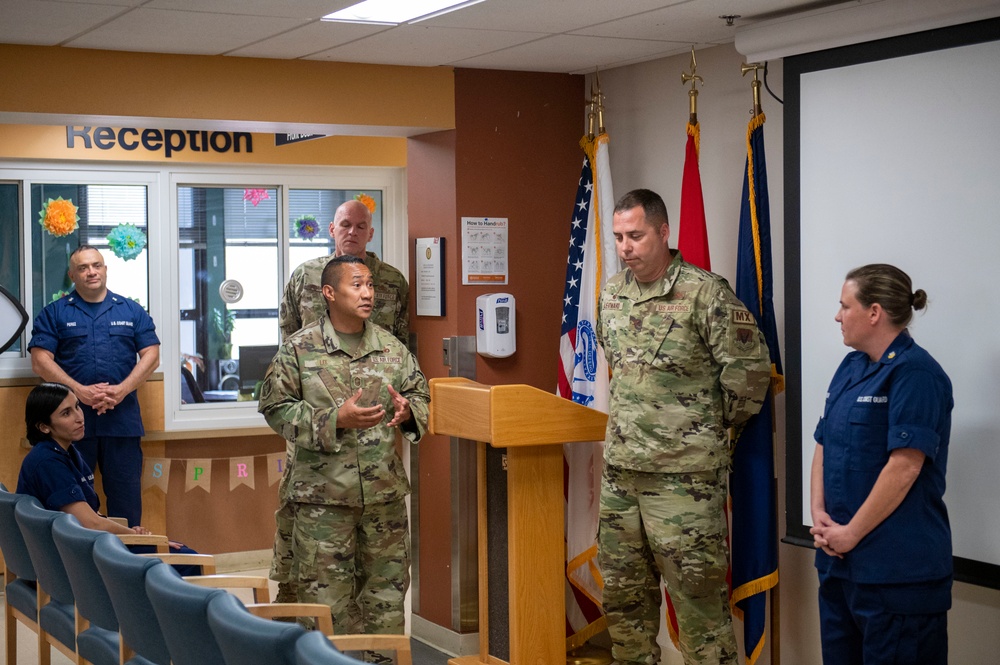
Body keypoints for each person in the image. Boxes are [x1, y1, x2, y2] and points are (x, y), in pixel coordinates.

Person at [596, 189, 771, 665]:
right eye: (618, 238)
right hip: (622, 475)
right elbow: (620, 368)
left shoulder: (704, 292)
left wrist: (700, 434)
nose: (626, 247)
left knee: (699, 605)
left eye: (635, 235)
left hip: (684, 480)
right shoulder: (612, 294)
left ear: (664, 231)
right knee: (624, 599)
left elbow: (750, 374)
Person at [259, 255, 429, 658]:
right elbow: (274, 408)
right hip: (323, 503)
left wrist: (409, 411)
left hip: (383, 499)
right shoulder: (298, 350)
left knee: (386, 601)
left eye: (370, 285)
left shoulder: (392, 348)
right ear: (330, 293)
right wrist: (335, 419)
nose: (368, 293)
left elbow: (421, 394)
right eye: (357, 285)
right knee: (326, 609)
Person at [810, 264, 953, 665]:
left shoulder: (916, 374)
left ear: (874, 312)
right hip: (840, 567)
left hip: (897, 578)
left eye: (845, 306)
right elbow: (824, 442)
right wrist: (819, 514)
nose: (838, 316)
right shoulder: (851, 366)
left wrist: (851, 533)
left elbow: (905, 467)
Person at [273, 198, 410, 603]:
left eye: (360, 225)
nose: (352, 231)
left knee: (378, 567)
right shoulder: (306, 277)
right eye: (344, 225)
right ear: (332, 230)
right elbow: (289, 343)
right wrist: (323, 415)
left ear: (371, 231)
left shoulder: (393, 282)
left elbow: (403, 346)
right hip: (318, 430)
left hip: (375, 439)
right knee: (309, 546)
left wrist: (403, 407)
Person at [28, 245, 160, 527]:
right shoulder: (55, 313)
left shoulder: (131, 310)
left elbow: (152, 355)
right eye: (83, 268)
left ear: (105, 269)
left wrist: (122, 389)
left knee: (126, 504)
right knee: (75, 507)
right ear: (72, 275)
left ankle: (127, 565)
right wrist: (80, 392)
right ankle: (80, 570)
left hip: (121, 422)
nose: (91, 272)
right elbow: (40, 361)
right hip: (71, 425)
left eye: (96, 265)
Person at [19, 382, 201, 572]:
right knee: (190, 562)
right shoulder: (48, 462)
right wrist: (135, 536)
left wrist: (131, 534)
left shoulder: (69, 452)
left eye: (77, 407)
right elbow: (90, 523)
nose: (79, 417)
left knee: (181, 553)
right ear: (44, 427)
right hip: (66, 560)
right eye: (66, 413)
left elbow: (92, 514)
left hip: (79, 547)